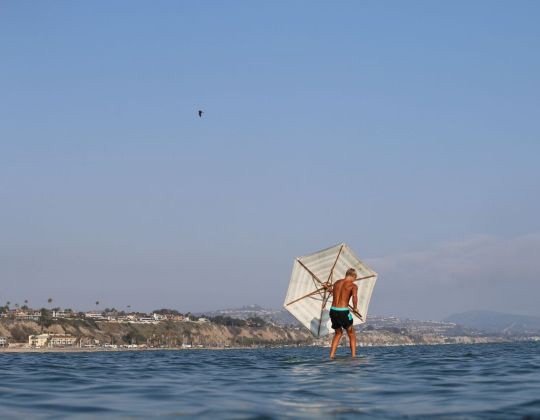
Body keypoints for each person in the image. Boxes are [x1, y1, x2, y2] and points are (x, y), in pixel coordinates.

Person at [327, 268, 359, 359]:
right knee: (351, 333)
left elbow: (335, 292)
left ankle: (331, 356)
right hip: (343, 311)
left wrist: (329, 289)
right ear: (353, 276)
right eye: (355, 278)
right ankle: (353, 356)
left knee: (338, 333)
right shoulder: (353, 286)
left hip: (333, 310)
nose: (355, 280)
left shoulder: (337, 283)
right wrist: (355, 308)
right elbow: (354, 297)